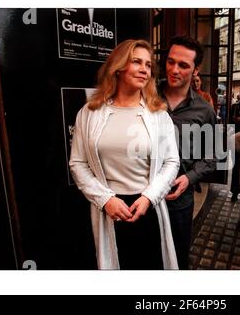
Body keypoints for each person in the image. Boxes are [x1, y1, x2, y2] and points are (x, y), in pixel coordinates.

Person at [69, 39, 180, 270]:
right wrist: (105, 199)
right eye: (136, 62)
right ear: (118, 67)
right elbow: (78, 163)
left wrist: (149, 197)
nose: (144, 70)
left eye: (148, 65)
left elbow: (171, 162)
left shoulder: (158, 114)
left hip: (147, 208)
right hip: (108, 210)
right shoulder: (89, 113)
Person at [159, 35, 217, 269]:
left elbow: (213, 155)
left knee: (177, 258)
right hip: (139, 192)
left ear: (195, 70)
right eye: (171, 62)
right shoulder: (145, 96)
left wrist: (190, 178)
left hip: (177, 197)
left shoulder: (204, 110)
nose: (174, 70)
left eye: (183, 65)